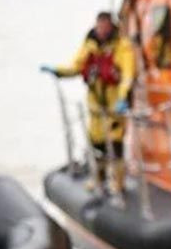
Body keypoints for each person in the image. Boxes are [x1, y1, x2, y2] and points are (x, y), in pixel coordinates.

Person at [40, 11, 138, 197]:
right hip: (95, 106)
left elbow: (127, 75)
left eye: (105, 26)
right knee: (96, 144)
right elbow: (76, 66)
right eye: (99, 25)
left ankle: (118, 183)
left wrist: (122, 98)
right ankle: (98, 179)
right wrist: (58, 71)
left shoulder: (122, 47)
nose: (101, 29)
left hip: (114, 105)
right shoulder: (90, 45)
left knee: (115, 144)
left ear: (111, 27)